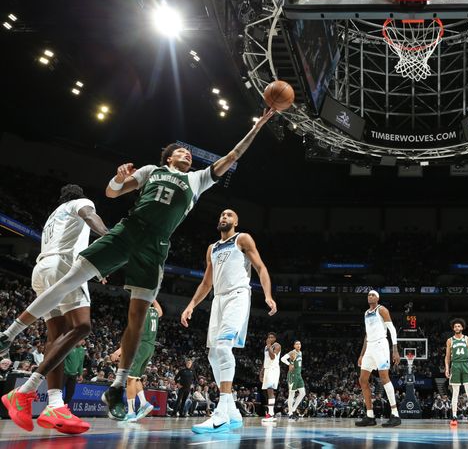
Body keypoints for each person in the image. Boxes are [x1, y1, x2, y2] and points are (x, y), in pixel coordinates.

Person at [0, 109, 276, 426]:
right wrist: (117, 178)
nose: (187, 154)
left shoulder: (197, 180)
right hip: (128, 229)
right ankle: (9, 334)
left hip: (156, 246)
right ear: (170, 158)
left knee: (138, 316)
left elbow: (232, 155)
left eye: (189, 153)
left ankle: (118, 386)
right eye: (182, 151)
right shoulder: (150, 171)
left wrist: (258, 126)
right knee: (70, 279)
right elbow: (112, 192)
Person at [1, 184, 108, 434]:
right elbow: (91, 217)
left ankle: (55, 403)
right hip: (65, 265)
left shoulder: (54, 215)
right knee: (82, 326)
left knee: (56, 337)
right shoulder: (80, 203)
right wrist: (109, 238)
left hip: (41, 270)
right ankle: (25, 391)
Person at [181, 209, 277, 433]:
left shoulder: (242, 239)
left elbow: (261, 268)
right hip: (218, 301)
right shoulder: (212, 248)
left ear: (236, 221)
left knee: (223, 347)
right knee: (213, 353)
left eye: (229, 215)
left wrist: (268, 296)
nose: (224, 217)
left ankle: (222, 412)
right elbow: (206, 283)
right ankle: (233, 411)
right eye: (222, 215)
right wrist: (191, 305)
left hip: (238, 295)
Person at [355, 290, 401, 428]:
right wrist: (362, 354)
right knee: (362, 380)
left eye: (373, 295)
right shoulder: (366, 313)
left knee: (384, 377)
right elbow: (366, 335)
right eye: (369, 295)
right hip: (370, 347)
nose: (370, 296)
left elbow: (392, 329)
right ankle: (370, 416)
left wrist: (395, 349)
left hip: (381, 344)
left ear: (378, 298)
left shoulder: (382, 310)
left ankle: (395, 414)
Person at [111, 300, 162, 422]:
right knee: (136, 378)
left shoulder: (141, 311)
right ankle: (144, 403)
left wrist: (119, 351)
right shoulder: (154, 311)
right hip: (150, 347)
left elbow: (134, 335)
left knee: (130, 379)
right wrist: (154, 299)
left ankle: (130, 412)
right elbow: (160, 311)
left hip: (141, 346)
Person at [445, 318, 468, 427]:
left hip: (466, 365)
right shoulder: (450, 340)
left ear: (462, 327)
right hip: (455, 365)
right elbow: (447, 356)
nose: (457, 328)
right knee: (455, 392)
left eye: (459, 326)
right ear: (453, 328)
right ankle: (454, 416)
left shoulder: (467, 339)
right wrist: (446, 368)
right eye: (455, 326)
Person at [260, 332, 281, 424]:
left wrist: (269, 346)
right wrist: (262, 372)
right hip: (267, 369)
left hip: (273, 369)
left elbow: (272, 357)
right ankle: (270, 413)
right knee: (268, 391)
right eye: (269, 337)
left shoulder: (277, 345)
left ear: (275, 339)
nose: (270, 338)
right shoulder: (266, 347)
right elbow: (266, 360)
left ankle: (271, 414)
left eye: (272, 337)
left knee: (270, 390)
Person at [282, 341, 306, 421]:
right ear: (294, 345)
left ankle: (293, 410)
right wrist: (289, 364)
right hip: (292, 375)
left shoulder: (300, 353)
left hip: (299, 375)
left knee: (303, 393)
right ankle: (290, 413)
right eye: (296, 344)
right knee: (291, 394)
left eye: (299, 344)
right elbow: (282, 359)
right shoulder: (292, 352)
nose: (298, 345)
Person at [63, 340, 86, 406]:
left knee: (70, 393)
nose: (80, 340)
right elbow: (63, 359)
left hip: (73, 375)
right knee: (59, 392)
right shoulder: (69, 347)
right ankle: (56, 407)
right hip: (64, 373)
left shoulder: (82, 350)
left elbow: (81, 363)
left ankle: (65, 407)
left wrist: (80, 374)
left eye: (81, 339)